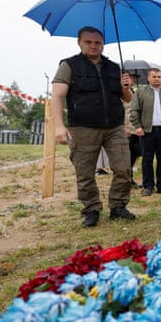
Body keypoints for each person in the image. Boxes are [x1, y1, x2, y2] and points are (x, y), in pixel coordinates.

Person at [51, 26, 136, 228]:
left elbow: (127, 98)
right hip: (83, 127)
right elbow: (57, 96)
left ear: (103, 44)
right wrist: (59, 126)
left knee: (124, 169)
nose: (93, 46)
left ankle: (118, 206)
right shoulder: (69, 65)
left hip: (114, 126)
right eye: (88, 42)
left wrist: (125, 87)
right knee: (85, 172)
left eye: (97, 42)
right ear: (79, 43)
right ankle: (91, 209)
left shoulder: (115, 68)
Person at [130, 68, 161, 196]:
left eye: (159, 77)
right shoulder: (140, 93)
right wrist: (137, 126)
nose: (157, 79)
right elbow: (134, 111)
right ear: (148, 78)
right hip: (146, 131)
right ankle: (148, 186)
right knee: (147, 160)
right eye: (154, 76)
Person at [123, 69, 142, 188]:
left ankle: (129, 178)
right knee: (127, 155)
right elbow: (119, 111)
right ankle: (125, 180)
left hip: (135, 128)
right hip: (127, 128)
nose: (134, 79)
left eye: (135, 77)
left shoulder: (133, 92)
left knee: (135, 153)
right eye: (132, 77)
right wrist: (123, 127)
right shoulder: (121, 92)